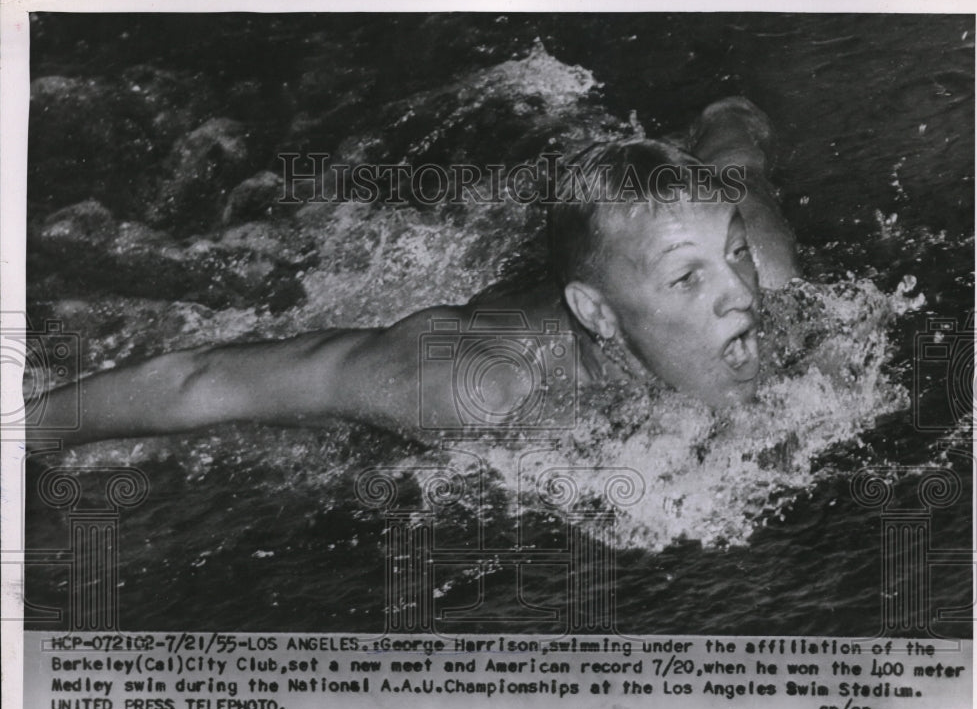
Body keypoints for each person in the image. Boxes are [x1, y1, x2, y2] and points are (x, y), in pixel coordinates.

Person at [28, 97, 799, 446]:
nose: (744, 295)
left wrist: (731, 114)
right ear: (597, 315)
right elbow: (205, 377)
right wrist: (21, 432)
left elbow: (737, 141)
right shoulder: (481, 384)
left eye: (730, 254)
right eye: (688, 278)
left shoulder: (764, 258)